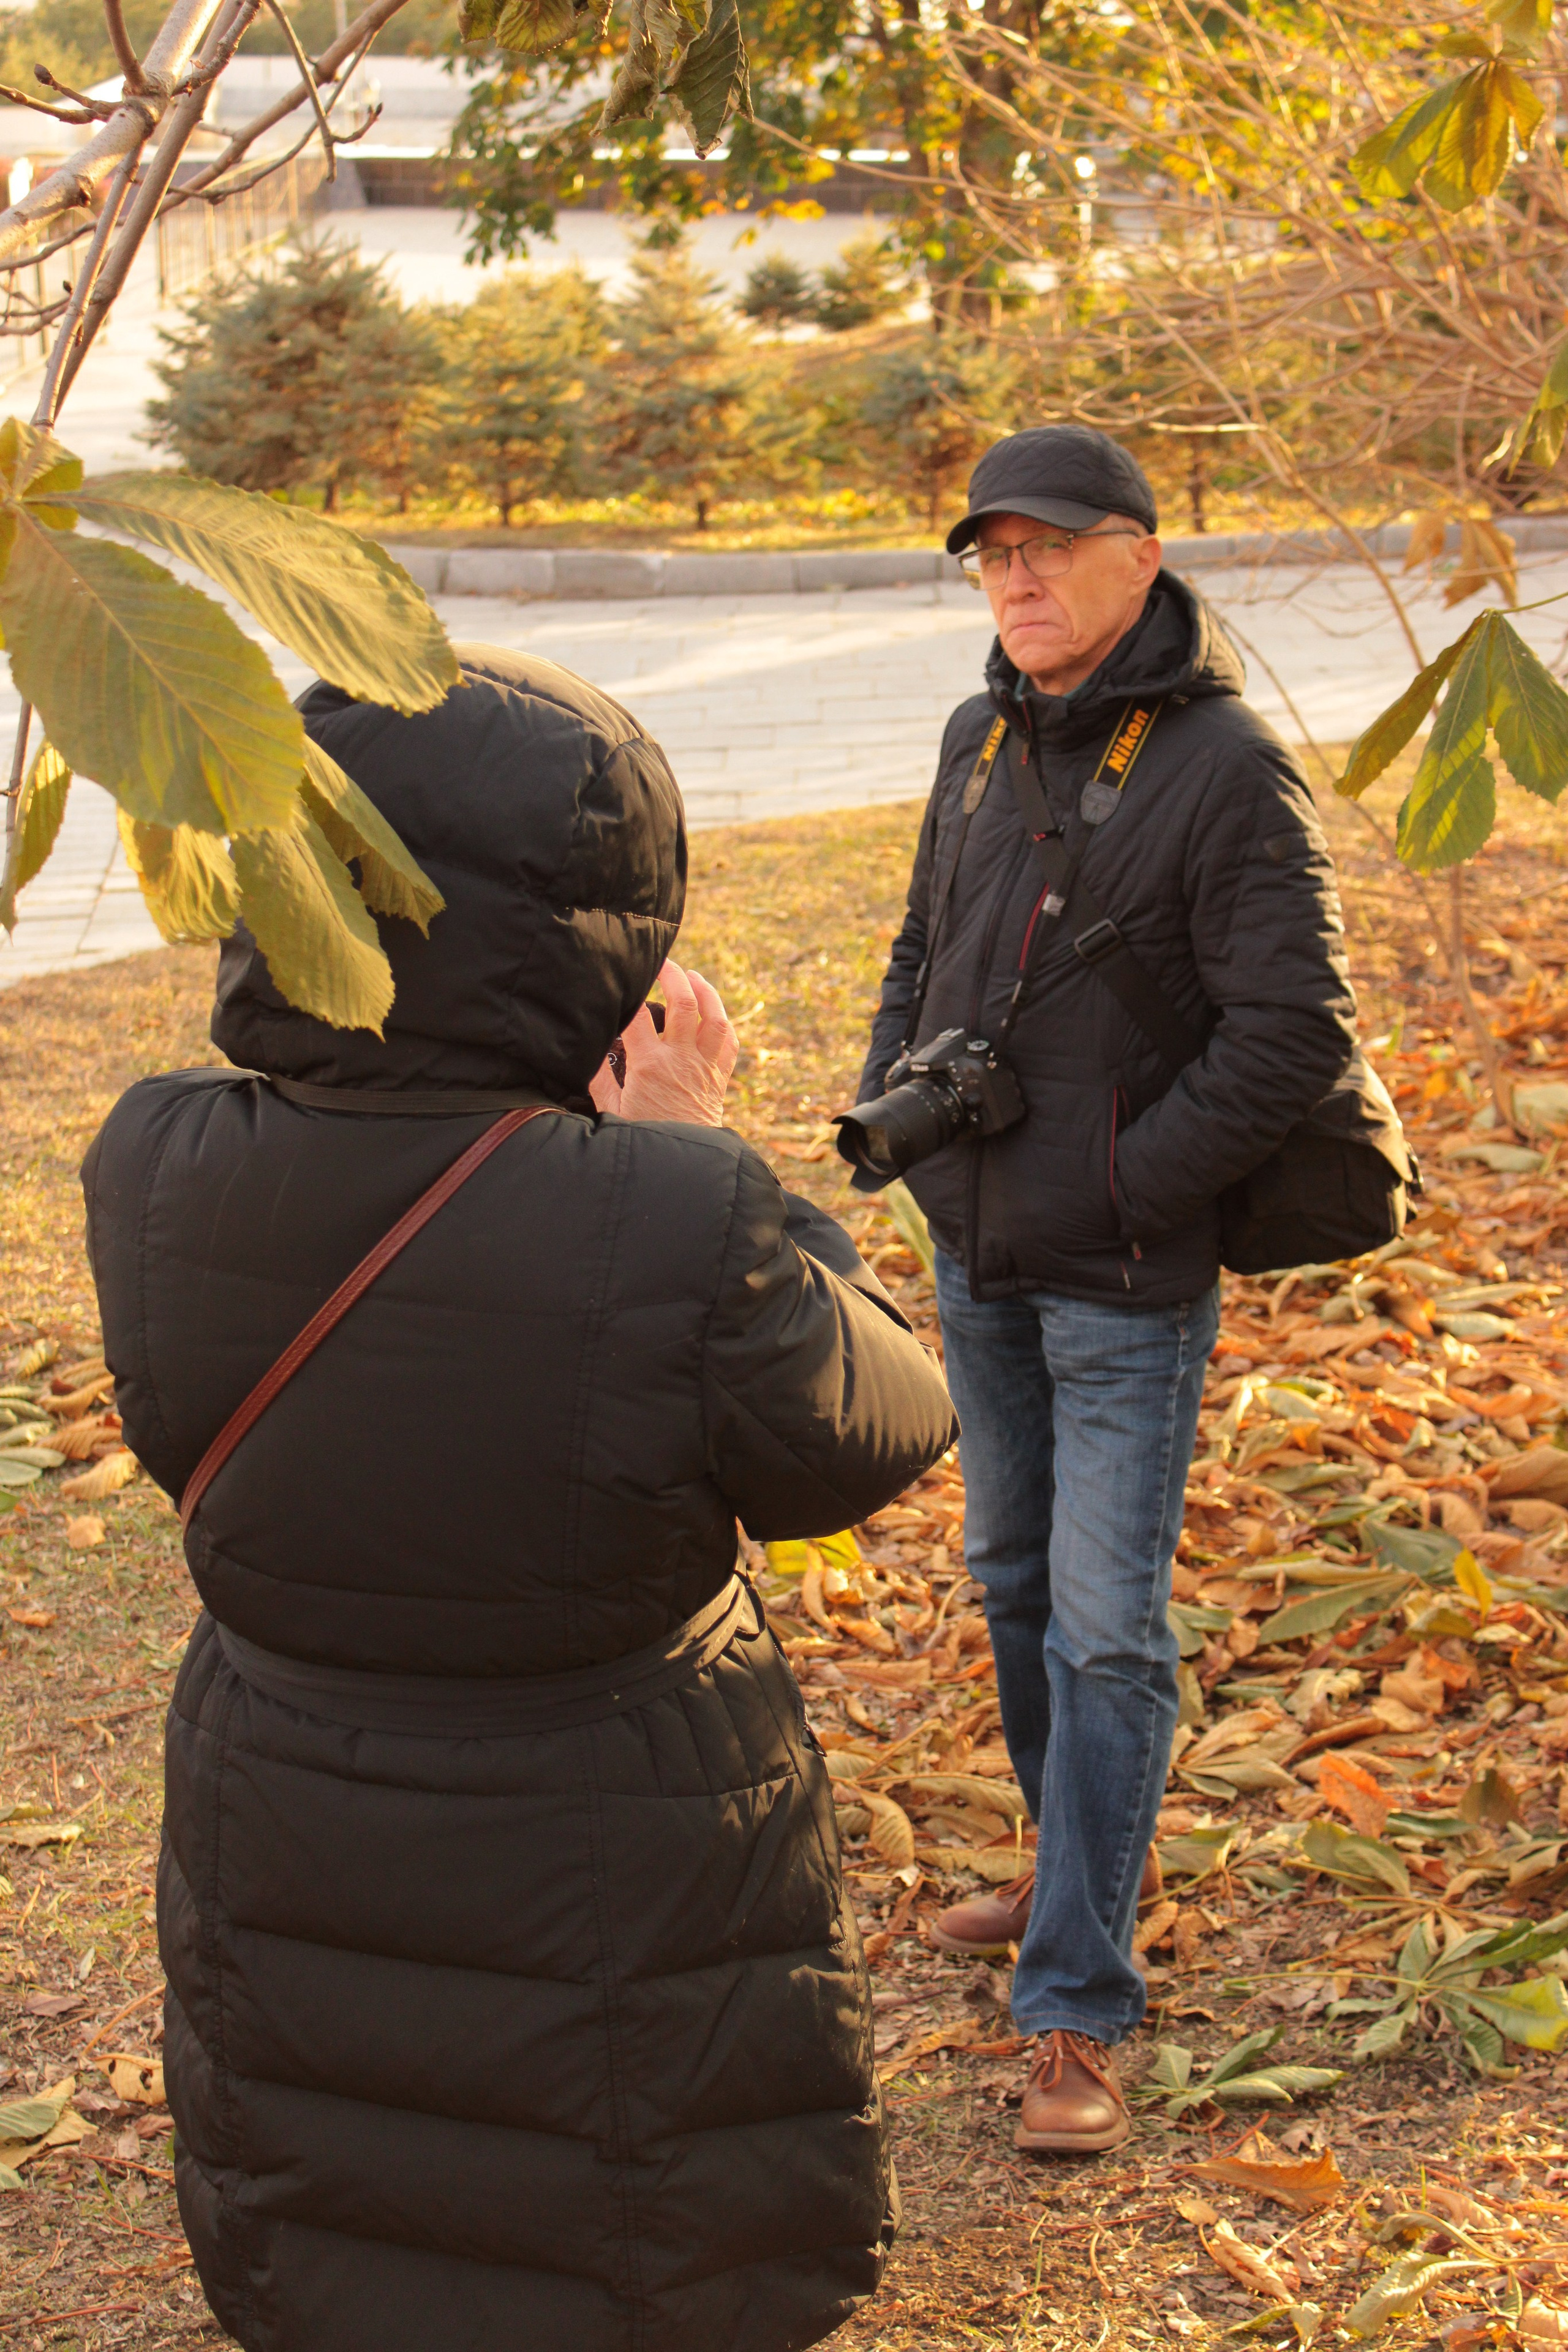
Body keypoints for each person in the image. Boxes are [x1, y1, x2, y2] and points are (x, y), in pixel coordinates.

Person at [83, 646, 958, 2352]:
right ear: (596, 916)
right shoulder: (666, 1217)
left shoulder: (152, 1156)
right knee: (625, 2232)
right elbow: (870, 1428)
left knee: (349, 2198)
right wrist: (698, 1143)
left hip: (289, 1783)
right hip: (605, 1821)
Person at [853, 428, 1357, 2155]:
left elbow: (1296, 1038)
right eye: (992, 551)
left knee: (1108, 1627)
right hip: (980, 1254)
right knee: (1006, 1581)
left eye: (1051, 547)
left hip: (1129, 1275)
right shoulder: (974, 736)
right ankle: (1066, 1874)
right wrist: (902, 1127)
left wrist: (1130, 1183)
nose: (1016, 578)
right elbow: (924, 953)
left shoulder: (1226, 769)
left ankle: (1076, 2005)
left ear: (1139, 559)